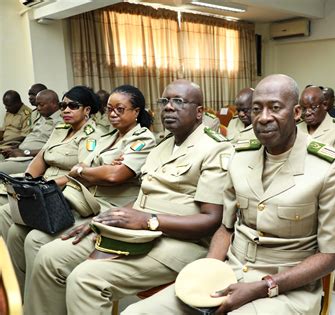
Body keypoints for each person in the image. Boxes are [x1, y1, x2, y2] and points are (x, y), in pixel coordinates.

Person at [124, 74, 335, 315]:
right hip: (229, 271)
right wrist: (209, 270)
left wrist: (263, 287)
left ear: (296, 113)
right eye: (257, 109)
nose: (264, 118)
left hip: (286, 286)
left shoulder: (329, 166)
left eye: (275, 108)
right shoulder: (240, 156)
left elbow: (330, 255)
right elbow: (226, 228)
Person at [24, 79, 233, 315]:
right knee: (49, 256)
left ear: (199, 112)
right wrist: (106, 220)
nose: (169, 107)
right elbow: (143, 197)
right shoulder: (162, 146)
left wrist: (148, 220)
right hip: (136, 231)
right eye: (164, 101)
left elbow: (212, 219)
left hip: (180, 242)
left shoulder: (215, 149)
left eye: (179, 101)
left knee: (85, 279)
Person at [0, 85, 101, 294]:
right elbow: (41, 157)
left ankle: (36, 289)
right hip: (42, 186)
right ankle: (14, 288)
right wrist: (28, 180)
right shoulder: (61, 129)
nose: (65, 110)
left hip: (63, 190)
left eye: (73, 106)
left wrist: (47, 186)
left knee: (22, 230)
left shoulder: (91, 135)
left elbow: (81, 172)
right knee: (8, 222)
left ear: (87, 110)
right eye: (63, 105)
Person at [0, 89, 62, 174]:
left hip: (32, 159)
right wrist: (15, 148)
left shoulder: (62, 121)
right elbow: (31, 136)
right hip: (18, 153)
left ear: (54, 103)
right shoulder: (41, 117)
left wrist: (25, 152)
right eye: (37, 105)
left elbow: (55, 149)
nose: (38, 108)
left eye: (41, 105)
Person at [298, 86, 335, 159]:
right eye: (304, 109)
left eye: (313, 107)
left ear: (324, 105)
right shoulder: (296, 129)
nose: (307, 113)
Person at [0, 90, 32, 155]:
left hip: (13, 145)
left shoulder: (27, 114)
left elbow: (24, 136)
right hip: (3, 143)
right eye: (5, 105)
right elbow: (3, 130)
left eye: (9, 105)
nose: (6, 108)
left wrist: (4, 142)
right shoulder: (9, 112)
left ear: (17, 103)